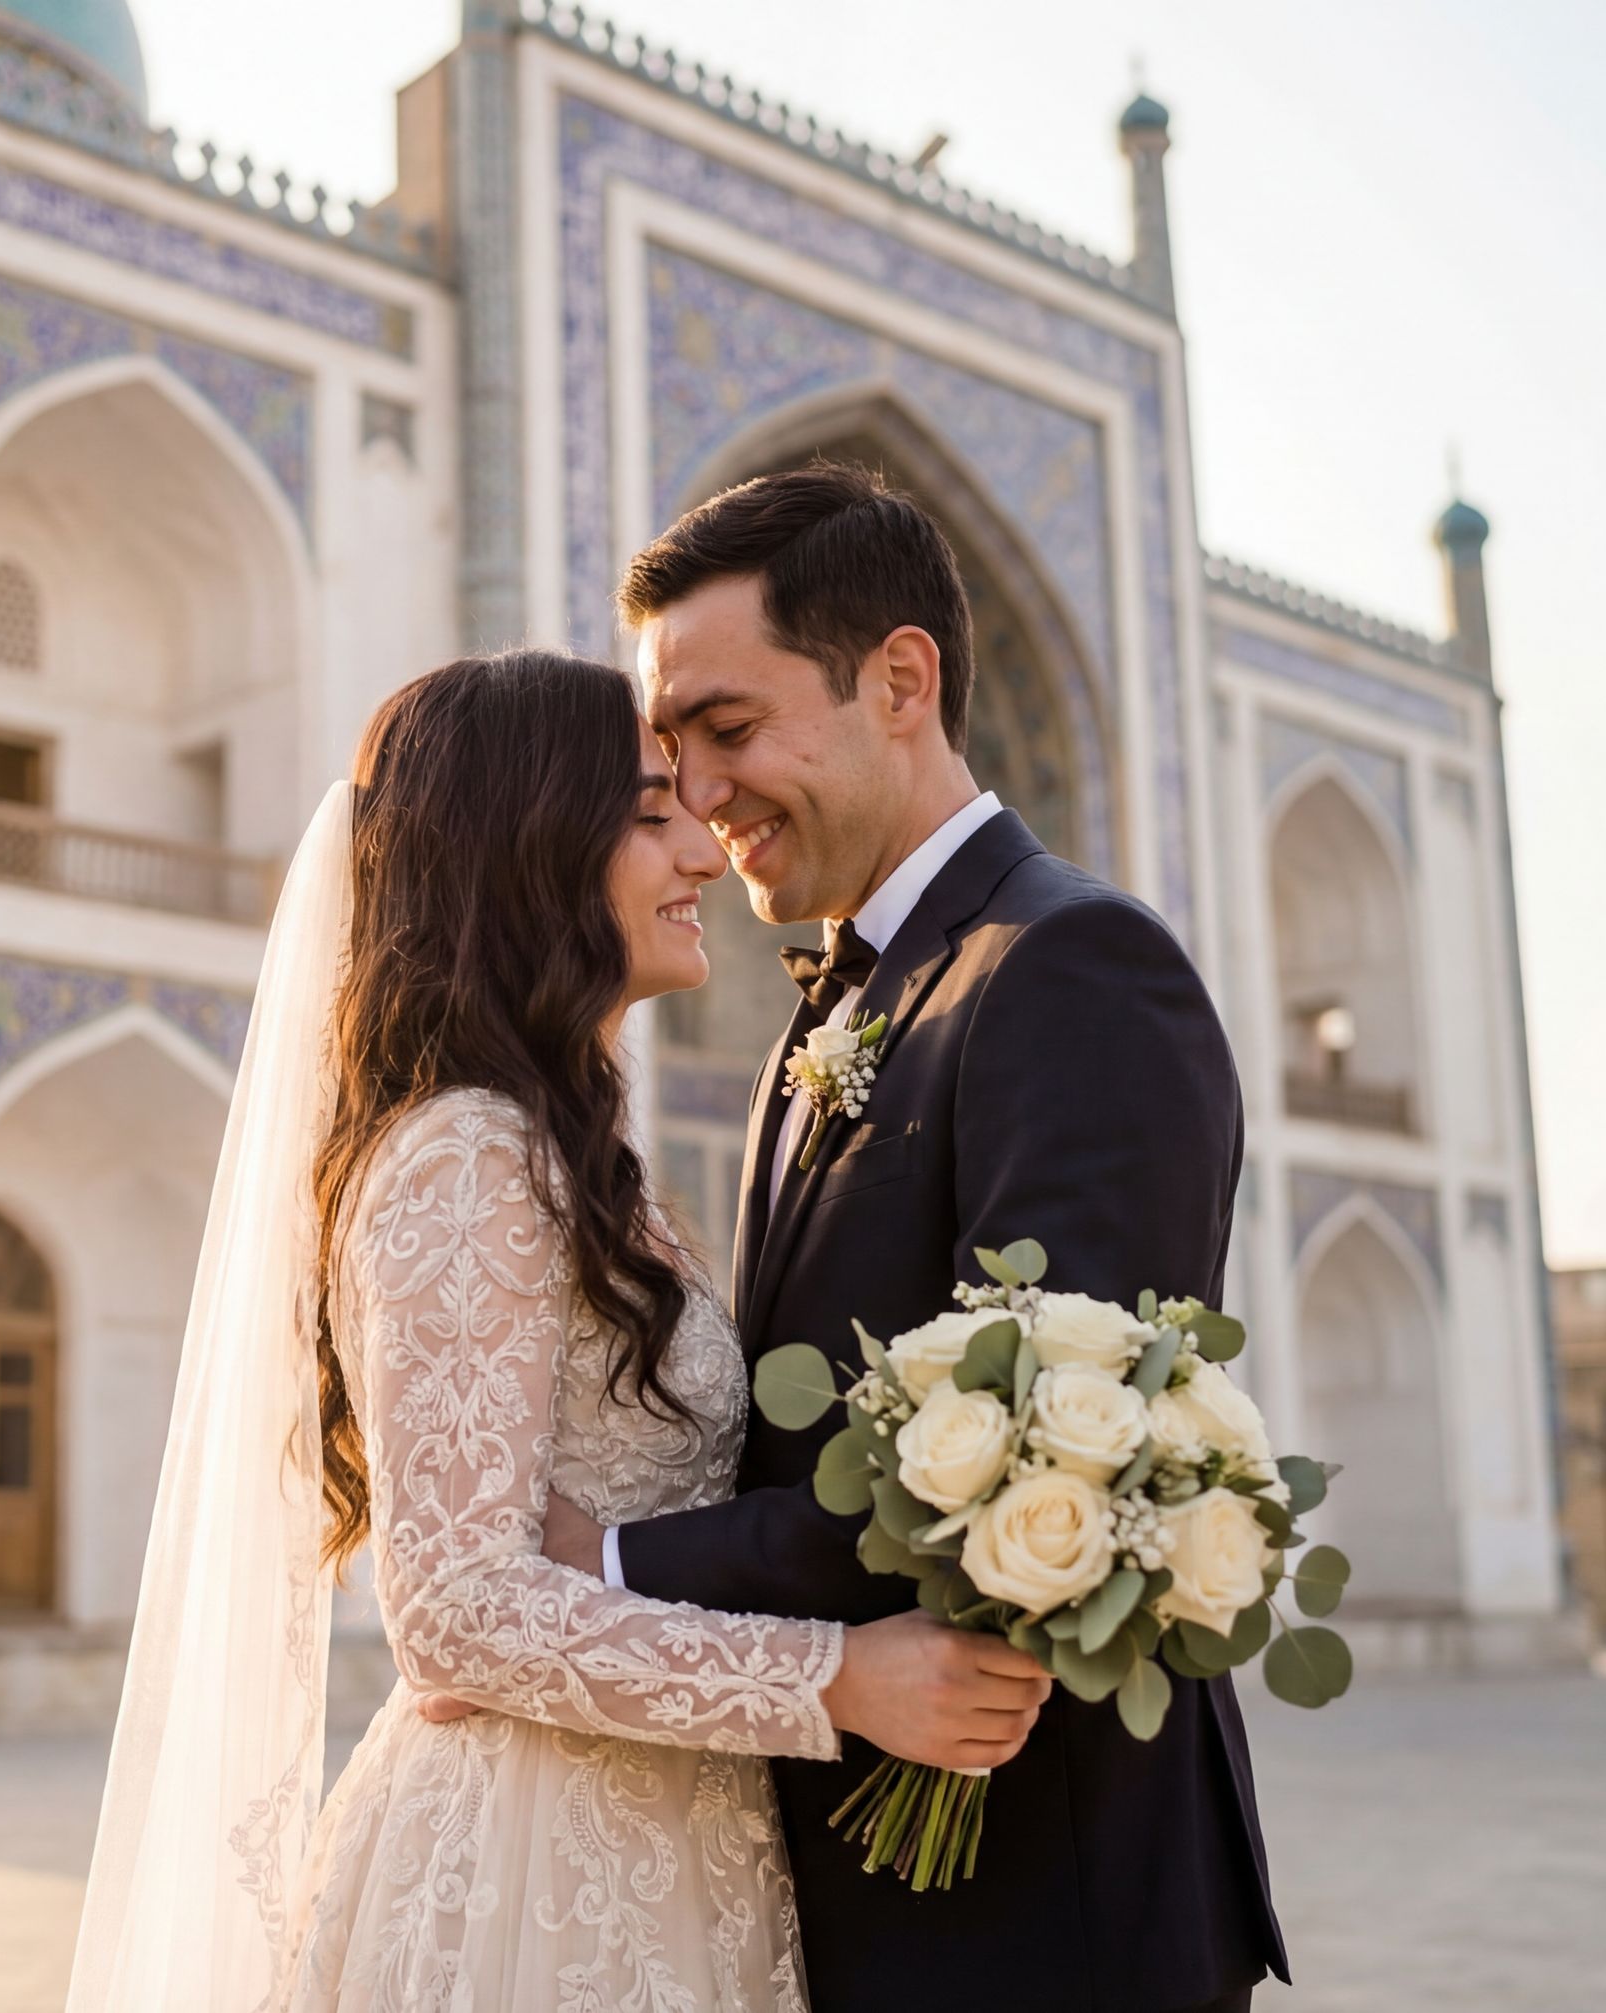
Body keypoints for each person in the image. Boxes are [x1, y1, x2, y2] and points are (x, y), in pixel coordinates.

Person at [64, 647, 1048, 2012]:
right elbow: (457, 1614)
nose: (704, 847)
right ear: (525, 849)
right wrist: (838, 1679)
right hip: (530, 1882)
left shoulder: (566, 1155)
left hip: (665, 1844)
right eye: (649, 814)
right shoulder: (464, 1153)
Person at [531, 460, 1288, 2012]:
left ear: (899, 680)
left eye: (728, 729)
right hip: (867, 1862)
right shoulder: (842, 1007)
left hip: (1042, 1901)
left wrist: (601, 1563)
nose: (696, 794)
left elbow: (1034, 1463)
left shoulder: (1073, 965)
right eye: (669, 752)